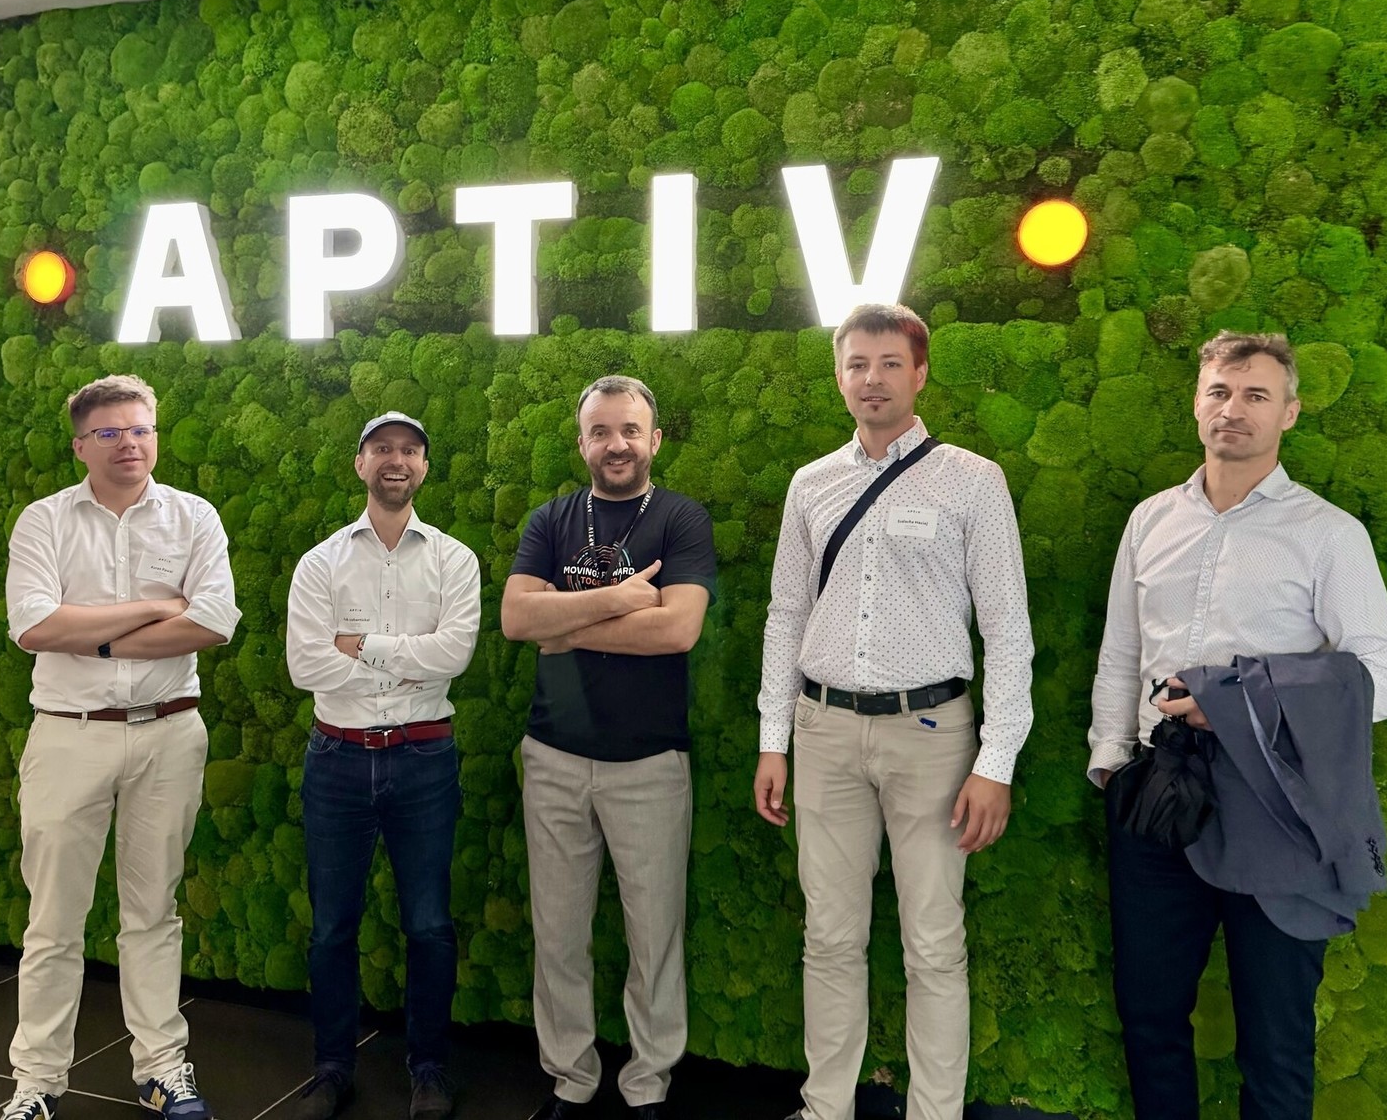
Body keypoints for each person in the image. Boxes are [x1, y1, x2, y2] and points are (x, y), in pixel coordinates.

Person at [1089, 331, 1387, 1120]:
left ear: (1289, 412)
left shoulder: (1327, 533)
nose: (1233, 408)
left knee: (1274, 1039)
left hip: (1276, 801)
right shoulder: (1150, 520)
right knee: (1150, 1018)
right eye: (1219, 391)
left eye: (1256, 394)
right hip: (1158, 794)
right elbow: (1122, 653)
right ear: (1197, 403)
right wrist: (1112, 763)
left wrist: (1243, 701)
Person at [754, 303, 1034, 1120]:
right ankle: (826, 1106)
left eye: (888, 363)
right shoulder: (811, 483)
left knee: (934, 942)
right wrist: (774, 740)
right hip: (824, 730)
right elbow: (785, 615)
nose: (871, 379)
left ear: (919, 372)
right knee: (829, 936)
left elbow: (1007, 629)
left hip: (933, 735)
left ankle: (934, 1112)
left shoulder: (973, 479)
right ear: (839, 376)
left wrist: (995, 761)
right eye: (856, 364)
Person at [2, 374, 241, 1120]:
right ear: (81, 446)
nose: (128, 443)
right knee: (53, 921)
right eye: (109, 433)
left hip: (170, 733)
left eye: (140, 429)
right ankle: (37, 1082)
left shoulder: (194, 516)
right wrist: (149, 611)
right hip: (68, 736)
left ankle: (162, 1068)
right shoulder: (44, 522)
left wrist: (92, 632)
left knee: (153, 912)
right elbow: (34, 626)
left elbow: (213, 621)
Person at [501, 375, 716, 1120]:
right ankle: (571, 1078)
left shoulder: (681, 519)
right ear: (582, 442)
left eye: (629, 430)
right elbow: (515, 618)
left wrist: (564, 623)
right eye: (600, 431)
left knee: (654, 936)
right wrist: (620, 600)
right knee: (558, 932)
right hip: (553, 755)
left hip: (650, 763)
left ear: (654, 439)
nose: (615, 444)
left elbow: (677, 629)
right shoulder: (552, 519)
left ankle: (648, 1083)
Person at [284, 411, 481, 1120]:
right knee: (332, 926)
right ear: (361, 463)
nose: (397, 460)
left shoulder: (455, 560)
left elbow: (454, 655)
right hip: (337, 758)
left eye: (410, 450)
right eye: (382, 449)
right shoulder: (321, 562)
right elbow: (306, 665)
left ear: (424, 466)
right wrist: (408, 656)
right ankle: (332, 1068)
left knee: (428, 924)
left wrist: (360, 644)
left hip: (425, 756)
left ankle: (429, 1068)